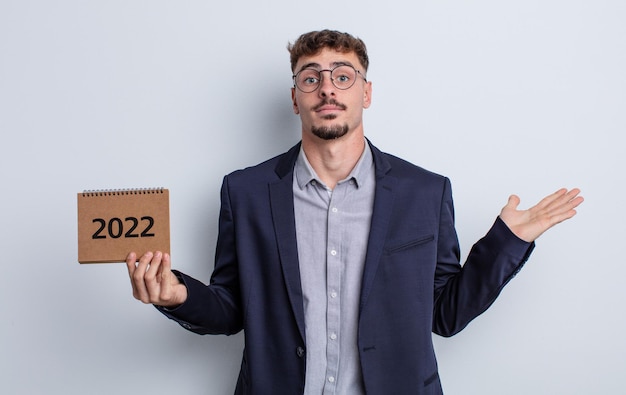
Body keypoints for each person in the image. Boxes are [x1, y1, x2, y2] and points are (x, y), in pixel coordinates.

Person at [126, 29, 583, 395]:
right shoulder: (245, 192)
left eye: (343, 75)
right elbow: (230, 309)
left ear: (366, 92)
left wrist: (508, 243)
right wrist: (177, 295)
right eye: (311, 77)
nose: (327, 88)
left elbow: (444, 315)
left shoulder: (425, 192)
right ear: (295, 98)